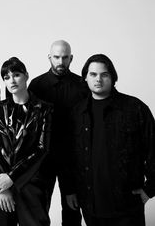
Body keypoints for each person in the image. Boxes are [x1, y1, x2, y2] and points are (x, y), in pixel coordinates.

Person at [65, 54, 155, 226]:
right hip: (90, 205)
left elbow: (153, 148)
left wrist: (149, 189)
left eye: (104, 74)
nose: (98, 79)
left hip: (127, 206)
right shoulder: (77, 113)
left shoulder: (135, 108)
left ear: (113, 77)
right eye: (93, 74)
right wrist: (70, 189)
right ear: (85, 77)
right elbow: (69, 156)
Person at [0, 57, 52, 226]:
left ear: (26, 76)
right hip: (0, 181)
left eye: (16, 74)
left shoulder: (44, 110)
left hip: (30, 181)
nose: (11, 80)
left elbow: (42, 149)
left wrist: (12, 177)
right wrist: (2, 185)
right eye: (6, 77)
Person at [28, 40, 87, 226]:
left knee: (72, 210)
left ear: (71, 58)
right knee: (38, 210)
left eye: (65, 57)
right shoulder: (36, 85)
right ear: (49, 58)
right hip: (44, 158)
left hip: (73, 158)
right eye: (56, 57)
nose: (61, 61)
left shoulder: (82, 85)